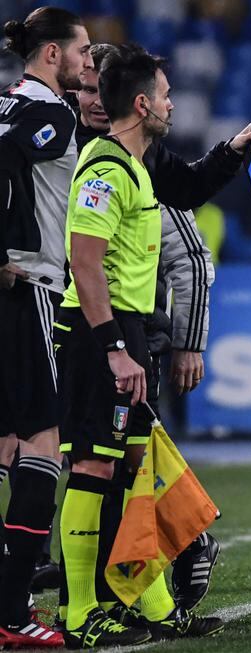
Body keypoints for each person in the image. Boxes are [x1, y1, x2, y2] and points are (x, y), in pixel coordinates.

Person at [55, 43, 226, 648]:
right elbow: (85, 263)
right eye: (166, 93)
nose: (173, 103)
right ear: (141, 102)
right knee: (93, 467)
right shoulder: (104, 170)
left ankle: (152, 606)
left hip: (124, 331)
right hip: (98, 334)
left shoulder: (133, 166)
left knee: (135, 469)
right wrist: (113, 349)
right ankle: (79, 615)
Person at [0, 6, 91, 649]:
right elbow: (5, 158)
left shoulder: (2, 103)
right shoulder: (50, 115)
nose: (89, 61)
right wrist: (3, 248)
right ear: (52, 54)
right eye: (82, 51)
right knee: (42, 445)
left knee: (5, 446)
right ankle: (13, 614)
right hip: (26, 287)